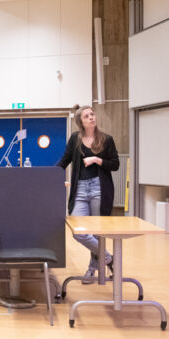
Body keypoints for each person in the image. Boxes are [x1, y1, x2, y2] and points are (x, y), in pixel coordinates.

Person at [56, 105, 120, 283]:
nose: (92, 117)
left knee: (97, 232)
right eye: (87, 116)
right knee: (79, 232)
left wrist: (97, 159)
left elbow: (115, 164)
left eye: (92, 114)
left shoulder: (106, 139)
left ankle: (92, 269)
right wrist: (51, 175)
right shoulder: (75, 139)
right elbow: (64, 160)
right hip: (81, 189)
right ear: (81, 122)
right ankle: (109, 259)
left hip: (99, 188)